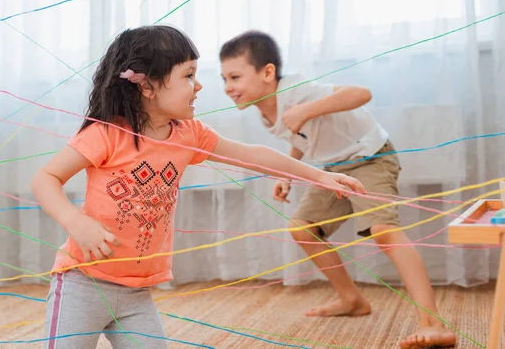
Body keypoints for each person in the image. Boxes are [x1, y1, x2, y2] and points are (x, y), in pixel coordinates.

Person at [31, 25, 365, 349]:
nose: (200, 85)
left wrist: (319, 176)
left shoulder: (189, 134)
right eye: (189, 75)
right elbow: (45, 179)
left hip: (136, 293)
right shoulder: (106, 134)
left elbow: (252, 155)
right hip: (81, 285)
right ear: (146, 86)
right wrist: (77, 224)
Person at [218, 30, 457, 349]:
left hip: (371, 157)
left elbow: (361, 93)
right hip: (335, 171)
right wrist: (287, 173)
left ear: (268, 72)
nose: (228, 88)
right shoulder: (266, 112)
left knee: (384, 230)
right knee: (302, 228)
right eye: (224, 79)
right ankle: (352, 299)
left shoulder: (297, 91)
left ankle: (433, 323)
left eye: (234, 76)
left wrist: (307, 110)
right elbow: (302, 137)